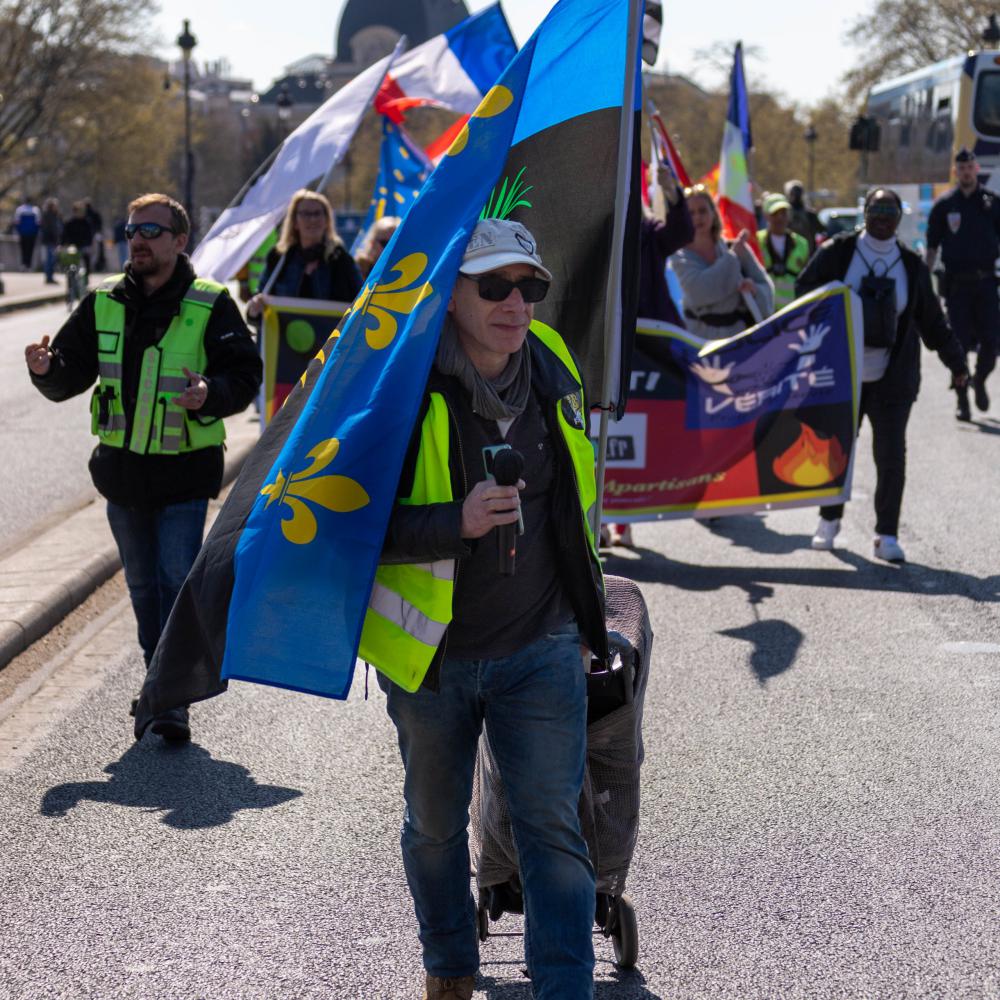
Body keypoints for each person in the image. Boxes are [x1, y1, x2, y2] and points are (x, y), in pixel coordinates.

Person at [373, 218, 608, 1000]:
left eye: (530, 286)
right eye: (495, 286)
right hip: (432, 658)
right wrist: (456, 521)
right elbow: (350, 525)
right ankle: (449, 966)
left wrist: (586, 621)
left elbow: (576, 506)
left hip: (541, 646)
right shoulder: (401, 385)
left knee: (553, 829)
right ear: (450, 295)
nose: (517, 304)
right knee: (434, 829)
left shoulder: (552, 362)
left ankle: (564, 988)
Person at [24, 193, 262, 742]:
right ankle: (161, 684)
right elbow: (70, 372)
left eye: (152, 231)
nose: (138, 240)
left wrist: (210, 392)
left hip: (184, 475)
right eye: (132, 229)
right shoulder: (103, 301)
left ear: (179, 241)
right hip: (122, 476)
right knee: (142, 588)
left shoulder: (210, 303)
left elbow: (245, 374)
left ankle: (168, 698)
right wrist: (46, 369)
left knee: (175, 583)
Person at [796, 188, 968, 563]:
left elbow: (933, 322)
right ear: (865, 212)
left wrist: (957, 364)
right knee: (834, 449)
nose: (883, 217)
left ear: (899, 218)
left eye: (890, 211)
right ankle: (829, 520)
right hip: (843, 374)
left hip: (893, 378)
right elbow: (803, 290)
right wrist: (834, 300)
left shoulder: (911, 265)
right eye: (876, 209)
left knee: (891, 457)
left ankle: (886, 534)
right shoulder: (839, 252)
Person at [606, 163, 694, 548]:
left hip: (650, 355)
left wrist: (672, 193)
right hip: (608, 351)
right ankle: (600, 519)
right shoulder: (598, 237)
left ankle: (625, 520)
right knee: (603, 434)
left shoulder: (650, 235)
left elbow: (682, 232)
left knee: (636, 437)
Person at [925, 147, 1000, 421]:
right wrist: (922, 284)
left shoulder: (992, 203)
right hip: (957, 286)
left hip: (987, 284)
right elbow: (932, 247)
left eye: (970, 168)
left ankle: (979, 379)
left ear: (976, 169)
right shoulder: (945, 205)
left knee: (992, 343)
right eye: (962, 169)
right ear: (956, 172)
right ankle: (962, 400)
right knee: (957, 346)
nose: (966, 173)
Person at [670, 184, 773, 340]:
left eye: (703, 211)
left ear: (713, 213)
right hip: (699, 342)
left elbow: (766, 288)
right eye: (691, 213)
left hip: (740, 340)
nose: (697, 217)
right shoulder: (680, 257)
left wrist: (754, 290)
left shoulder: (734, 247)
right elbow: (701, 292)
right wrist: (732, 259)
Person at [246, 190, 362, 319]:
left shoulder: (342, 260)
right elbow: (259, 308)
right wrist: (254, 309)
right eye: (306, 214)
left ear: (327, 220)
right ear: (294, 222)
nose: (312, 219)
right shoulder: (278, 258)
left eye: (317, 213)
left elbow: (361, 304)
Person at [756, 192, 810, 309]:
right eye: (775, 213)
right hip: (764, 310)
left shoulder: (801, 244)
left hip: (792, 310)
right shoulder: (756, 241)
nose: (780, 217)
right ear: (766, 215)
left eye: (783, 213)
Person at [355, 214, 401, 279]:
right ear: (372, 243)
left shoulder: (407, 270)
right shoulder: (357, 271)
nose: (391, 249)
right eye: (385, 243)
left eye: (396, 244)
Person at [784, 179, 825, 250]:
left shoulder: (809, 214)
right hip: (795, 252)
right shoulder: (785, 214)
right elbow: (822, 230)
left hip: (804, 251)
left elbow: (821, 230)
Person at [61, 202, 94, 276]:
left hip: (84, 245)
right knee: (70, 260)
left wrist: (89, 244)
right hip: (73, 246)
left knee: (86, 257)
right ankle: (70, 276)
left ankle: (86, 275)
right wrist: (63, 244)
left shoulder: (86, 222)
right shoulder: (70, 223)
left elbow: (89, 235)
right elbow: (64, 235)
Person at [39, 198, 63, 285]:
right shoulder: (48, 216)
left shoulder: (55, 215)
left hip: (52, 241)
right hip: (50, 240)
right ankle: (49, 277)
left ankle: (50, 277)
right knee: (50, 260)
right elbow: (50, 230)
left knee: (52, 260)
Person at [13, 197, 41, 270]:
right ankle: (29, 265)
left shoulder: (20, 209)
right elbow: (38, 223)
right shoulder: (36, 210)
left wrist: (18, 231)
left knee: (23, 249)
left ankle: (23, 264)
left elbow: (17, 222)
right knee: (30, 249)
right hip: (32, 233)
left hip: (22, 233)